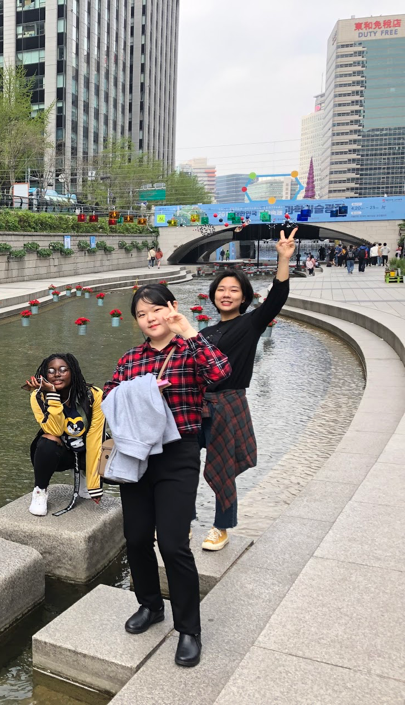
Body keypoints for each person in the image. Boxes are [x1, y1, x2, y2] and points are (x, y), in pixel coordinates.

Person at [103, 283, 230, 668]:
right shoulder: (131, 358)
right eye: (141, 314)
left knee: (174, 544)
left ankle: (189, 629)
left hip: (178, 454)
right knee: (137, 537)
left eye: (155, 310)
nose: (149, 319)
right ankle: (150, 605)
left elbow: (220, 373)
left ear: (171, 307)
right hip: (137, 455)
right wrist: (142, 391)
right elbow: (109, 396)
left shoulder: (191, 348)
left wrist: (187, 330)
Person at [197, 227, 295, 552]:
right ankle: (178, 518)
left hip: (228, 405)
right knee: (177, 458)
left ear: (244, 297)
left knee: (223, 467)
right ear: (213, 295)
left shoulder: (250, 324)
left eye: (234, 290)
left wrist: (283, 259)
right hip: (197, 406)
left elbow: (277, 299)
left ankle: (221, 527)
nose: (226, 294)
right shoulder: (205, 333)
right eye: (221, 289)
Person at [24, 353, 106, 515]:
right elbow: (54, 430)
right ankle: (40, 491)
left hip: (84, 449)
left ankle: (84, 474)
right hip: (59, 453)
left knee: (109, 446)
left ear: (73, 372)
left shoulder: (94, 395)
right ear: (44, 375)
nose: (57, 374)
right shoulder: (38, 396)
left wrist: (94, 484)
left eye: (63, 369)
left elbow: (95, 437)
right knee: (48, 440)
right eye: (51, 371)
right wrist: (52, 394)